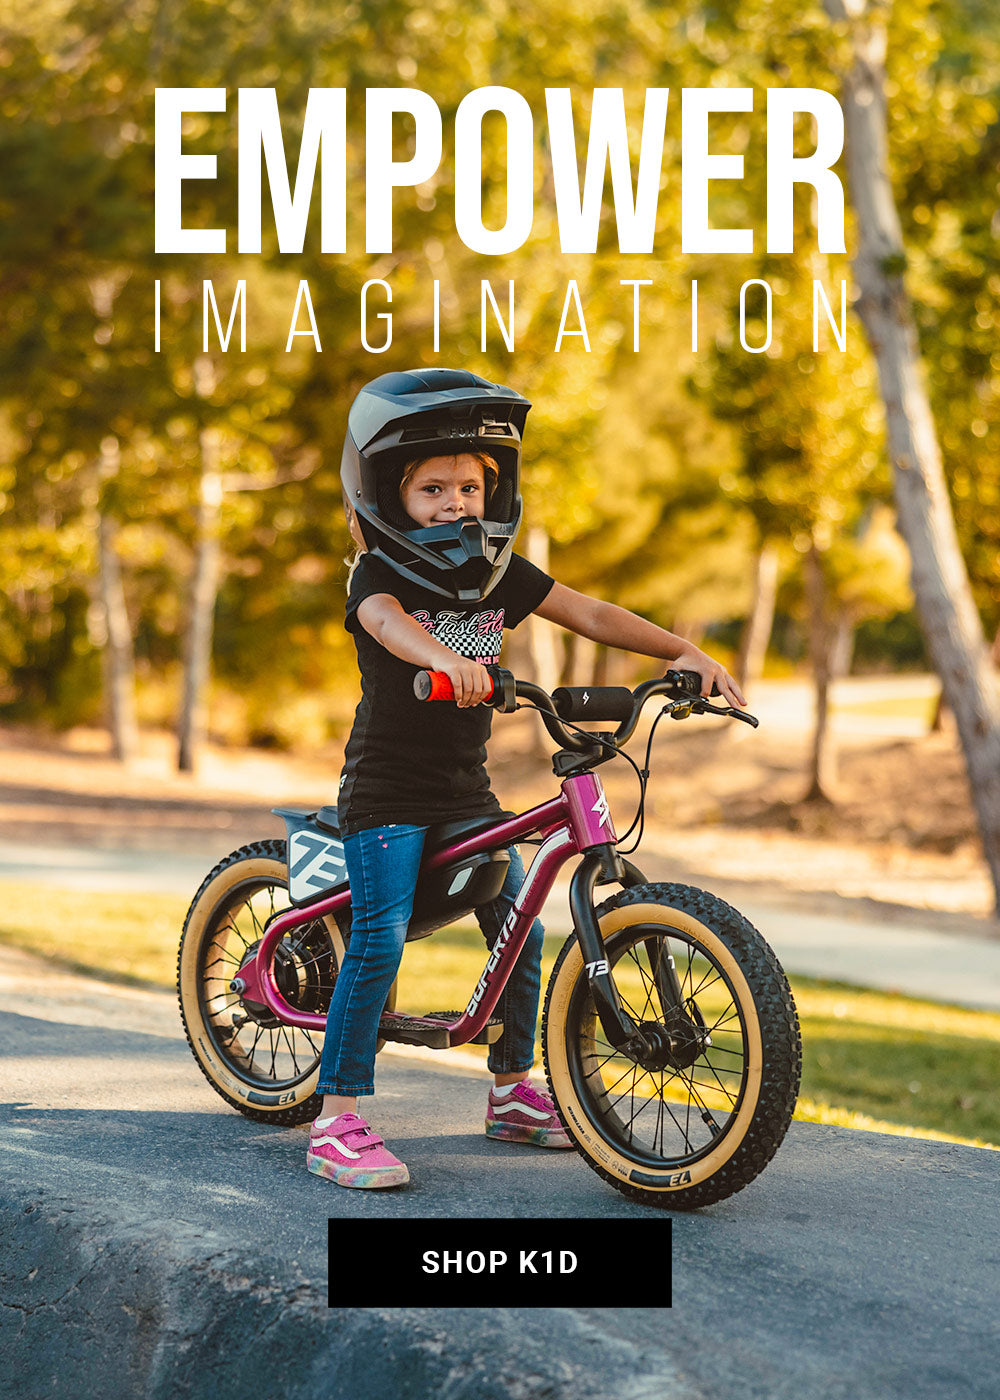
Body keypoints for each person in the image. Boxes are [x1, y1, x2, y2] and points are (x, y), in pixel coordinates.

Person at [307, 368, 745, 1188]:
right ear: (387, 495)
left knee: (522, 922)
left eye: (469, 486)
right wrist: (446, 659)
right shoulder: (380, 575)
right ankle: (336, 1120)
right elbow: (386, 627)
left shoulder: (498, 574)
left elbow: (589, 613)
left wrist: (682, 653)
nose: (454, 503)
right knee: (377, 936)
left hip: (464, 793)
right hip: (387, 796)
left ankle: (512, 1090)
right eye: (432, 488)